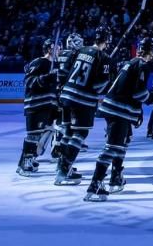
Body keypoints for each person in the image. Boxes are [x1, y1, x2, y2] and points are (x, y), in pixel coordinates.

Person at [85, 38, 153, 201]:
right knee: (112, 147)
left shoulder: (132, 63)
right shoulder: (141, 65)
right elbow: (139, 93)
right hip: (118, 111)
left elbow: (129, 89)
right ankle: (94, 185)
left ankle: (115, 177)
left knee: (124, 141)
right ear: (151, 51)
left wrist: (137, 111)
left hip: (117, 109)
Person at [55, 29, 114, 185]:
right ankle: (64, 170)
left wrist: (63, 87)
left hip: (66, 96)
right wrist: (106, 79)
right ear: (107, 41)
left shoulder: (80, 50)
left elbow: (63, 72)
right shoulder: (104, 57)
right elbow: (99, 85)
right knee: (80, 134)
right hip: (83, 100)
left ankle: (60, 166)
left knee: (68, 132)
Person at [16, 39, 57, 177]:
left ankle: (28, 159)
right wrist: (47, 77)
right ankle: (24, 164)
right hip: (35, 104)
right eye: (58, 48)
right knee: (33, 135)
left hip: (47, 105)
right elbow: (28, 81)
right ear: (50, 49)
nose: (60, 51)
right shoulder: (39, 62)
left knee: (43, 133)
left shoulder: (54, 65)